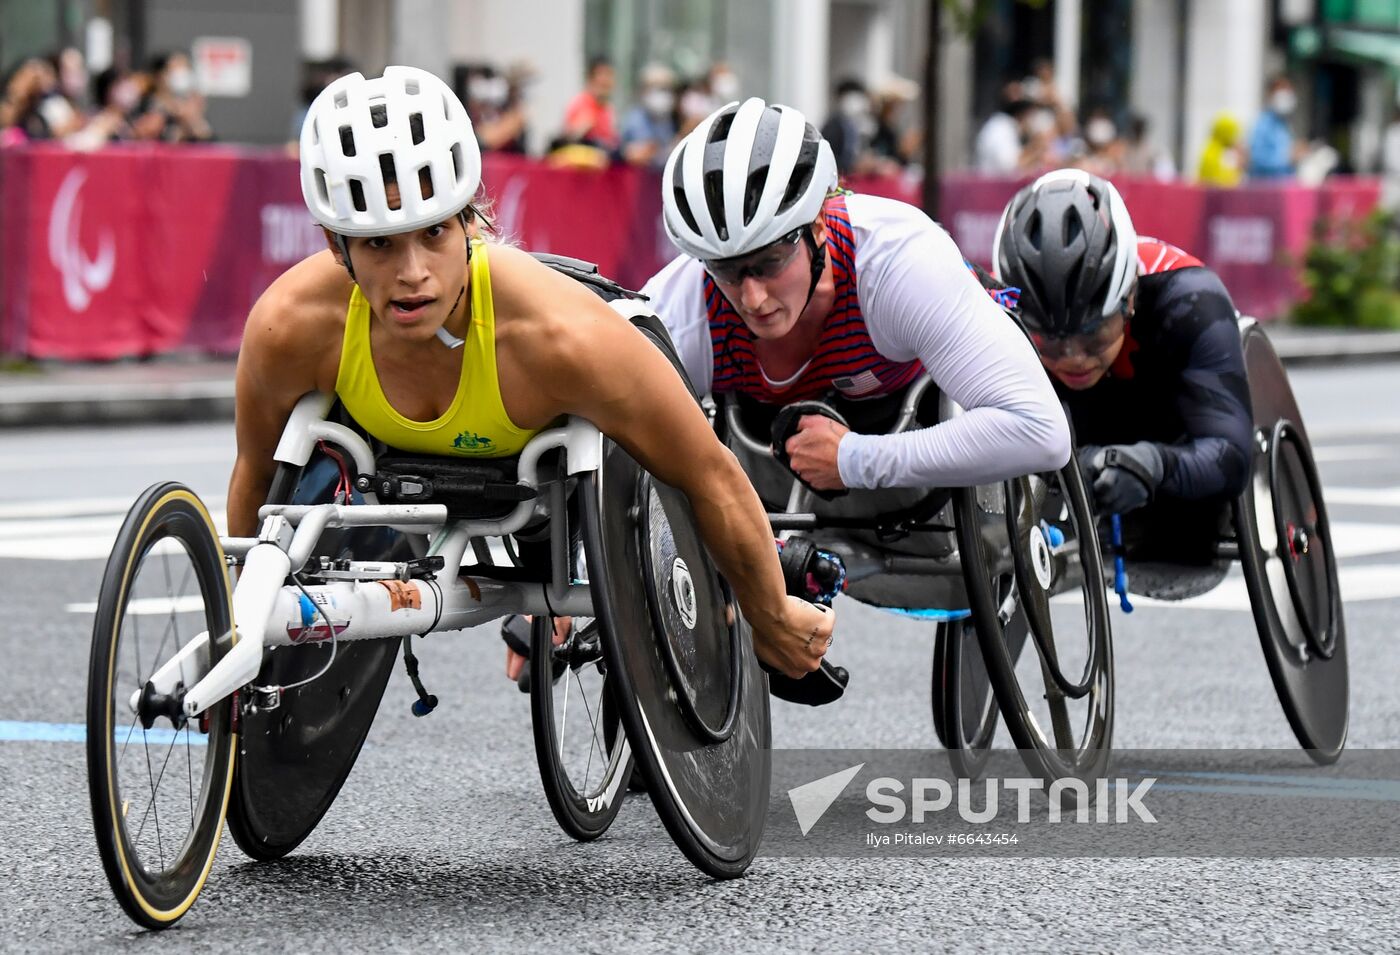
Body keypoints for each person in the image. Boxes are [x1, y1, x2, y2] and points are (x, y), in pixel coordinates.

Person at [229, 66, 832, 683]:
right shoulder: (291, 325)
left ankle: (561, 552)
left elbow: (708, 473)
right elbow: (255, 476)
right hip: (387, 473)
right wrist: (240, 628)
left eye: (433, 232)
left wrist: (772, 615)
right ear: (337, 246)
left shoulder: (560, 335)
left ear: (469, 220)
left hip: (546, 484)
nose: (412, 272)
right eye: (380, 244)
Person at [642, 98, 1069, 509]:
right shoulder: (681, 307)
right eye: (727, 271)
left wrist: (852, 461)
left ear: (820, 224)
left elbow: (1041, 432)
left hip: (932, 494)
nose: (752, 297)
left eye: (770, 262)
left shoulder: (898, 261)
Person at [993, 169, 1253, 563]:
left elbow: (1232, 455)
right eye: (1049, 338)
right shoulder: (998, 306)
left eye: (1093, 334)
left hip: (1169, 424)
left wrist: (1152, 464)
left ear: (1129, 297)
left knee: (1185, 537)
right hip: (1062, 426)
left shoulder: (1191, 299)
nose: (1073, 357)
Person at [619, 63, 677, 168]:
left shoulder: (664, 120)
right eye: (658, 89)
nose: (663, 95)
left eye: (666, 89)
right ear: (644, 91)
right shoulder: (635, 119)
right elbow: (639, 153)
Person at [559, 55, 617, 152]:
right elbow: (568, 139)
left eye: (609, 75)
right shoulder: (581, 102)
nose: (605, 80)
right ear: (590, 79)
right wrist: (580, 129)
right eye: (601, 75)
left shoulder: (608, 109)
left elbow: (611, 142)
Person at [1249, 76, 1300, 180]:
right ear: (1271, 94)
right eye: (1282, 90)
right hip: (1267, 189)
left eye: (1288, 90)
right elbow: (1257, 158)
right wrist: (1288, 158)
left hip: (1284, 187)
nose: (1286, 95)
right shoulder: (1263, 123)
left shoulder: (1285, 123)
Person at [1197, 112, 1246, 187]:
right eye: (1234, 134)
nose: (1236, 139)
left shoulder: (1226, 151)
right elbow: (1216, 182)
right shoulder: (1211, 152)